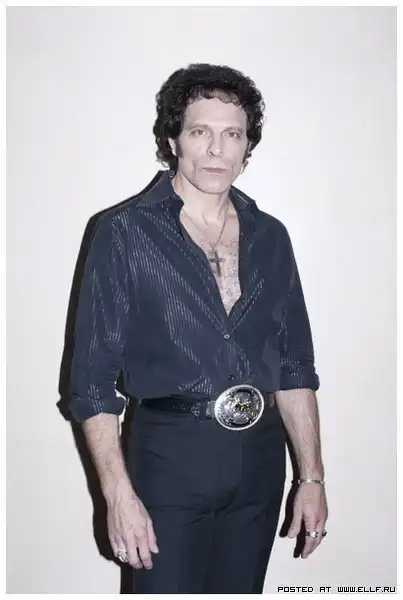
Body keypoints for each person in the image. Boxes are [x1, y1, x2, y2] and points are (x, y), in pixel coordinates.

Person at [68, 63, 328, 594]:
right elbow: (91, 382)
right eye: (200, 131)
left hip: (260, 460)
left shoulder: (271, 237)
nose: (216, 149)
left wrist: (311, 476)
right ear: (173, 141)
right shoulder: (124, 233)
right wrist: (118, 495)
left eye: (232, 134)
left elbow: (295, 366)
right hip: (169, 458)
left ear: (247, 147)